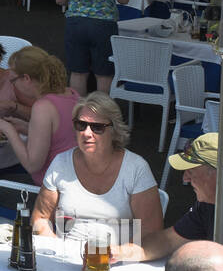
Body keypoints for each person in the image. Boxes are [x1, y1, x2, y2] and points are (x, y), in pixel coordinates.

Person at [31, 92, 164, 247]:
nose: (87, 133)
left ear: (114, 131)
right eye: (81, 125)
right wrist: (57, 248)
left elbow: (152, 232)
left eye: (97, 127)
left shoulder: (135, 168)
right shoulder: (61, 163)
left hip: (119, 261)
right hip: (66, 257)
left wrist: (118, 255)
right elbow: (40, 219)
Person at [113, 133, 218, 262]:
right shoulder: (206, 206)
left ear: (217, 175)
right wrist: (119, 252)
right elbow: (167, 241)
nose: (185, 178)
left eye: (191, 171)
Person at [0, 46, 80, 184]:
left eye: (13, 81)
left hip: (49, 191)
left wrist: (8, 131)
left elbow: (32, 165)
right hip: (72, 182)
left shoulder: (42, 107)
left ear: (26, 78)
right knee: (1, 177)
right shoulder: (72, 94)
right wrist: (26, 127)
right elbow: (60, 138)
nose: (13, 86)